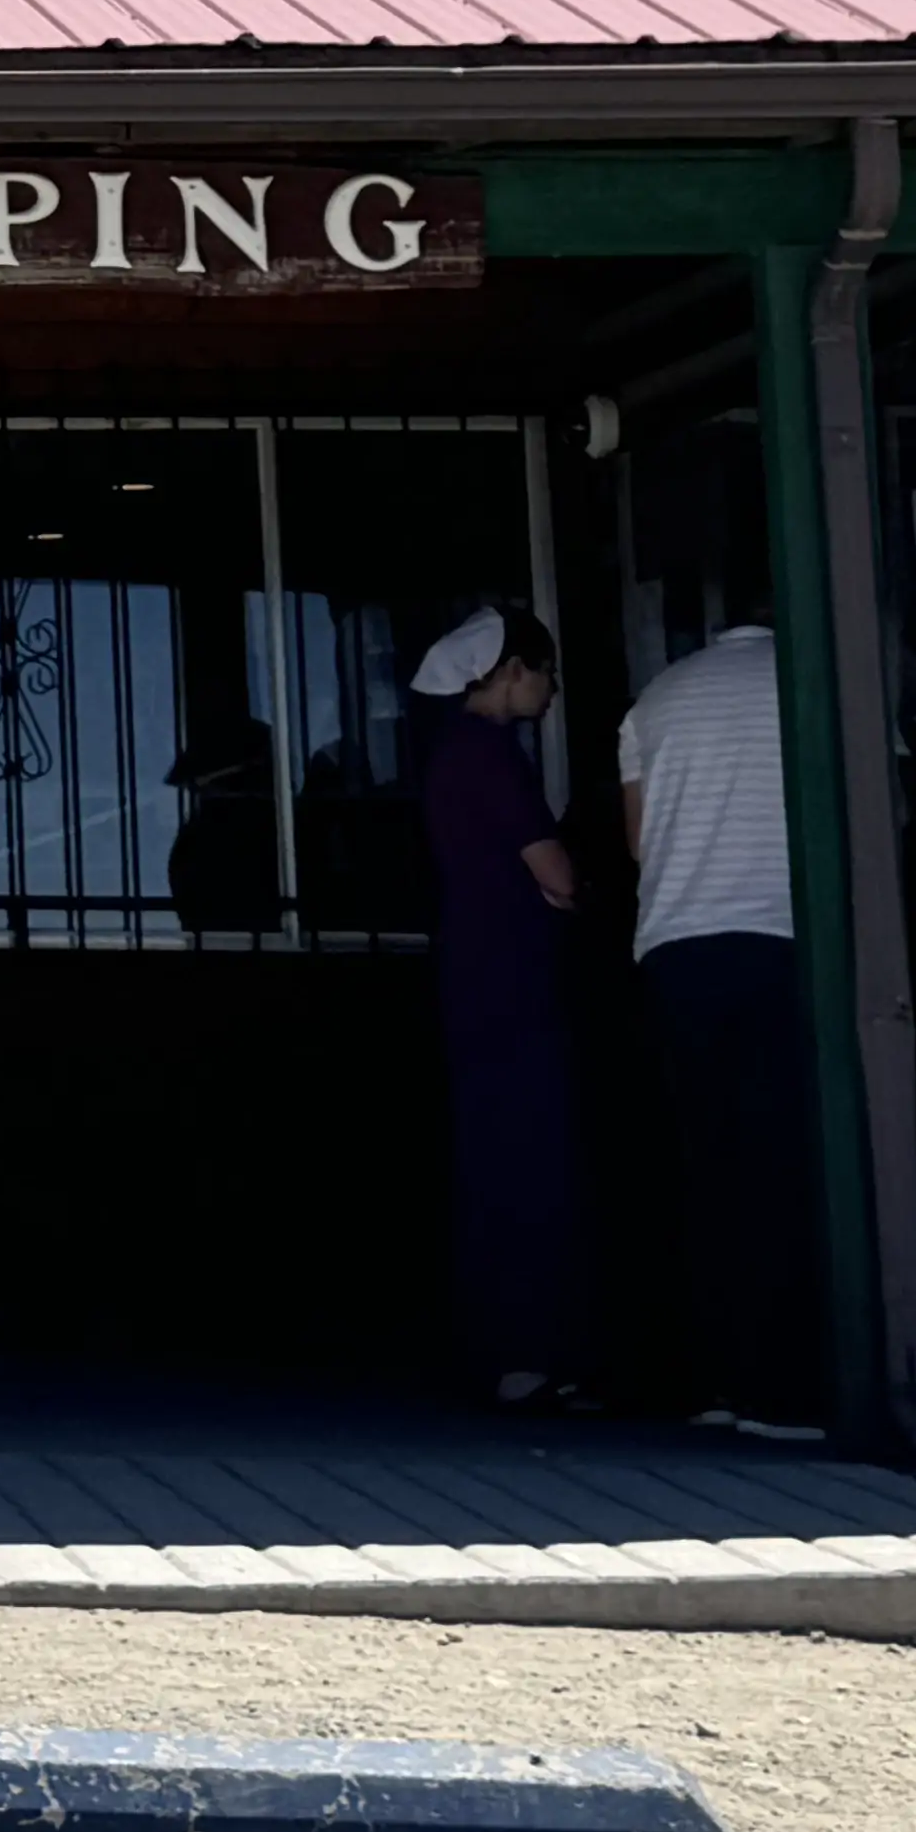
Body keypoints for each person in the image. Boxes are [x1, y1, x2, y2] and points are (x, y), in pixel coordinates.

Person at [618, 622, 824, 1441]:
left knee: (706, 1168)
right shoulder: (819, 681)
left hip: (677, 944)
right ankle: (783, 1388)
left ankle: (716, 1381)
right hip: (783, 934)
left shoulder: (657, 698)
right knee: (783, 1167)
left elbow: (638, 841)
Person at [409, 599, 592, 1413]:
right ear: (511, 671)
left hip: (475, 978)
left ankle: (501, 1349)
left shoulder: (449, 756)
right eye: (545, 671)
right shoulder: (492, 758)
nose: (551, 689)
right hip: (513, 980)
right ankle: (529, 1353)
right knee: (529, 1156)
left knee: (493, 1156)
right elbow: (556, 875)